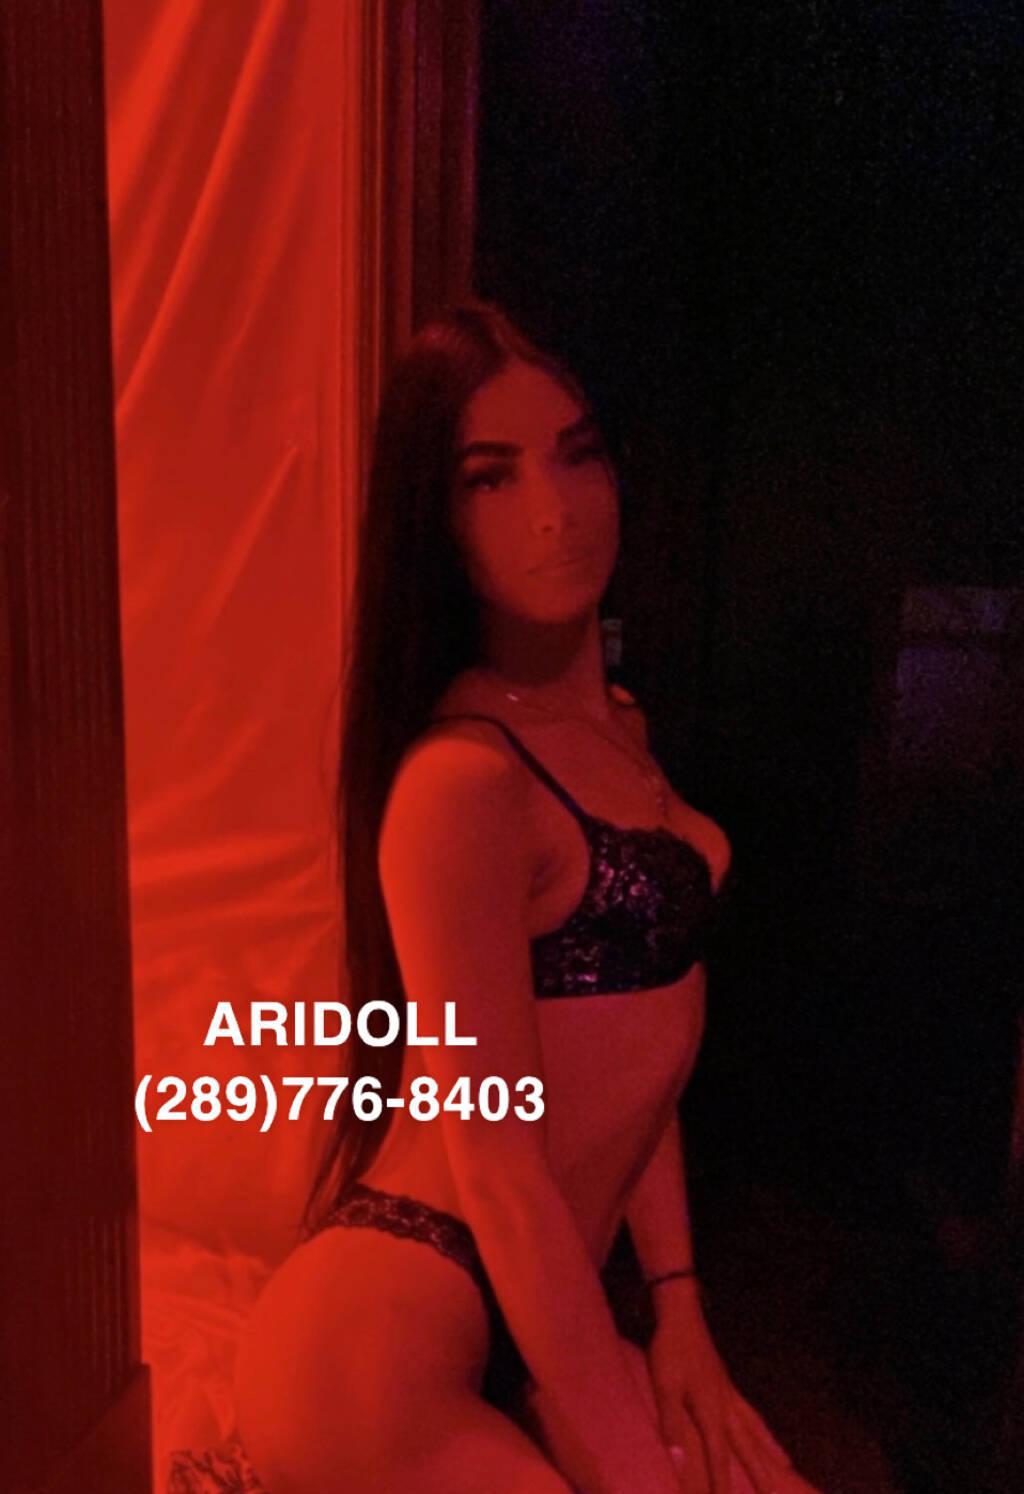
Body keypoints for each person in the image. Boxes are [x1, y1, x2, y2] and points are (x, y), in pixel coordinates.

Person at [178, 303, 824, 1493]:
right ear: (435, 521)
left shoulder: (617, 733)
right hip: (387, 1327)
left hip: (536, 1320)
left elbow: (640, 1058)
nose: (555, 508)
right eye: (491, 477)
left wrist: (680, 1309)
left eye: (577, 454)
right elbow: (503, 1175)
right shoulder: (462, 784)